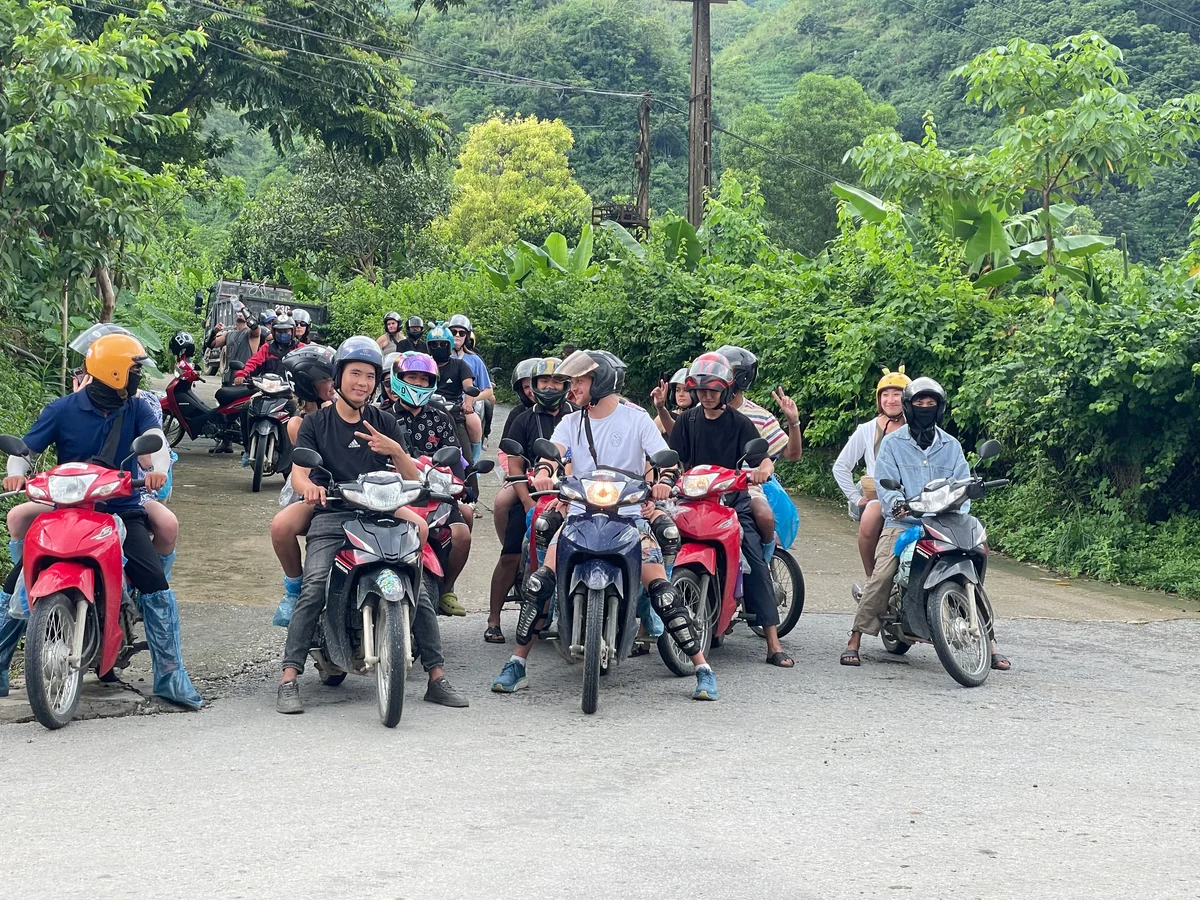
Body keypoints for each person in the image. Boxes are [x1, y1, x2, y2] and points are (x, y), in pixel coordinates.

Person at [491, 349, 720, 701]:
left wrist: (663, 479)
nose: (571, 388)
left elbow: (664, 459)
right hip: (579, 515)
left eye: (578, 381)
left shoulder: (636, 418)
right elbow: (552, 454)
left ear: (600, 380)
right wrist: (542, 473)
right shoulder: (570, 420)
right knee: (539, 584)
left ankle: (702, 668)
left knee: (663, 590)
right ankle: (517, 663)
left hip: (629, 518)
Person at [0, 334, 202, 707]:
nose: (138, 376)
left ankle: (170, 674)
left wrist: (156, 471)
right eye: (133, 369)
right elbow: (26, 450)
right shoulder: (62, 409)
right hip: (67, 510)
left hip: (121, 510)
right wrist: (16, 472)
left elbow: (155, 439)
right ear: (115, 372)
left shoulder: (138, 408)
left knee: (154, 582)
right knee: (19, 581)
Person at [277, 337, 468, 713]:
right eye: (355, 374)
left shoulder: (385, 422)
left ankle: (436, 676)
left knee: (422, 590)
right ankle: (289, 677)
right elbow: (299, 474)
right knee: (313, 585)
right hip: (334, 511)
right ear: (338, 377)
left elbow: (413, 478)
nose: (362, 382)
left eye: (369, 376)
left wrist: (395, 451)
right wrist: (312, 490)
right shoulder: (316, 423)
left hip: (384, 508)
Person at [840, 377, 1010, 671]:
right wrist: (896, 502)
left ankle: (990, 641)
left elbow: (962, 482)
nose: (925, 408)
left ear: (940, 408)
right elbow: (885, 484)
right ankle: (855, 638)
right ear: (909, 407)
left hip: (945, 521)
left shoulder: (951, 445)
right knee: (882, 575)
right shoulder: (893, 444)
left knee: (972, 563)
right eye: (919, 403)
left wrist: (967, 494)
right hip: (904, 523)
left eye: (931, 404)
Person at [667, 353, 794, 668]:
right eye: (700, 390)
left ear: (725, 389)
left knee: (751, 553)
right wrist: (664, 477)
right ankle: (645, 627)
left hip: (732, 498)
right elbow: (673, 458)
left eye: (712, 390)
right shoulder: (687, 420)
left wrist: (763, 469)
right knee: (661, 546)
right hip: (692, 499)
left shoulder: (741, 422)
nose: (706, 395)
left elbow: (762, 457)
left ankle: (772, 642)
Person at [485, 357, 572, 644]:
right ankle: (494, 620)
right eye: (544, 381)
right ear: (533, 386)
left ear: (567, 385)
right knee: (510, 553)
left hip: (571, 496)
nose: (550, 386)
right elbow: (514, 465)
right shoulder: (522, 419)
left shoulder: (578, 417)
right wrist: (527, 503)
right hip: (533, 493)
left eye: (556, 381)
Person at [382, 352, 473, 619]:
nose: (419, 384)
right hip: (393, 492)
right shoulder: (382, 416)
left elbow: (454, 455)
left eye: (424, 379)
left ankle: (445, 589)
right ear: (398, 379)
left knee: (462, 534)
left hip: (435, 492)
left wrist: (463, 485)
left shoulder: (440, 417)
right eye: (413, 377)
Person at [269, 344, 337, 627]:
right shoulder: (299, 423)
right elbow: (311, 466)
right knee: (281, 526)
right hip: (316, 490)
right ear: (308, 385)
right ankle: (294, 589)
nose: (333, 385)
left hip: (358, 490)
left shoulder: (353, 411)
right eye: (326, 380)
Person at [833, 367, 911, 577]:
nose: (891, 399)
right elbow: (841, 466)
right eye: (885, 394)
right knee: (869, 519)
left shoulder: (919, 428)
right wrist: (855, 498)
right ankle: (872, 579)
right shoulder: (867, 429)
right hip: (882, 496)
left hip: (916, 494)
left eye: (897, 394)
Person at [427, 324, 481, 453]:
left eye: (442, 344)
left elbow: (469, 386)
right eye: (435, 344)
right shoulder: (425, 364)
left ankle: (473, 456)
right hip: (426, 408)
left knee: (474, 423)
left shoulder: (459, 364)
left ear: (450, 345)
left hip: (454, 409)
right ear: (429, 347)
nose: (439, 347)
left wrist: (467, 404)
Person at [448, 314, 493, 460]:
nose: (457, 336)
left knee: (474, 424)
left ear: (467, 336)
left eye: (461, 333)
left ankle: (473, 458)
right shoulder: (438, 358)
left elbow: (488, 390)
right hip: (442, 401)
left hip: (465, 405)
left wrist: (472, 400)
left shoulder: (474, 359)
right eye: (453, 332)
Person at [235, 315, 304, 383]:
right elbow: (254, 362)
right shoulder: (267, 347)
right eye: (279, 332)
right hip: (269, 387)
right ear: (274, 332)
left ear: (293, 332)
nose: (283, 334)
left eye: (286, 331)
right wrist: (242, 374)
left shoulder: (301, 348)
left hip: (294, 390)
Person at [653, 367, 691, 434]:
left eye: (686, 390)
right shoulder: (662, 418)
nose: (681, 394)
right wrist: (660, 408)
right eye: (677, 390)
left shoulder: (700, 418)